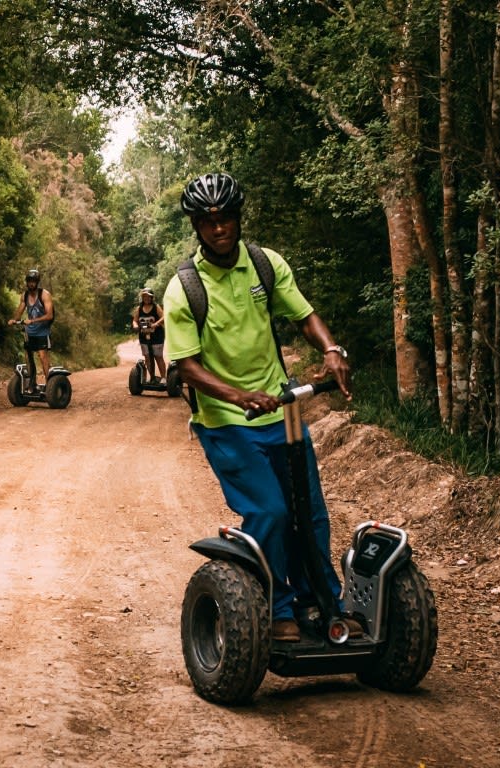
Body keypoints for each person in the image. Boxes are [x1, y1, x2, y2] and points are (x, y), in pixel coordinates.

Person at [163, 172, 354, 643]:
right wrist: (238, 396)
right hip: (226, 421)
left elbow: (304, 315)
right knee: (269, 511)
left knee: (310, 513)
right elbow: (186, 366)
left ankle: (322, 601)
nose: (218, 228)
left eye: (225, 217)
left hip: (282, 414)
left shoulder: (266, 266)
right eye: (207, 221)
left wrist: (331, 349)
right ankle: (275, 607)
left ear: (238, 217)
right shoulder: (185, 288)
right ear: (195, 226)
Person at [7, 268, 54, 388]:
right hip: (30, 332)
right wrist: (14, 320)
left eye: (33, 281)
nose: (31, 283)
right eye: (29, 281)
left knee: (42, 356)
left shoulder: (45, 294)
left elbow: (50, 315)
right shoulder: (25, 295)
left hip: (43, 331)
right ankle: (32, 382)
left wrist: (32, 320)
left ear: (37, 282)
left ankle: (50, 384)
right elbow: (20, 310)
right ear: (27, 282)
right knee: (28, 356)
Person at [131, 287, 167, 383]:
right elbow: (135, 320)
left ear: (152, 297)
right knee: (147, 357)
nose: (146, 298)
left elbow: (164, 317)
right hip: (144, 336)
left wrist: (156, 324)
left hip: (157, 335)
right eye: (144, 296)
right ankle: (152, 378)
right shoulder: (139, 309)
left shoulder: (156, 307)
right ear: (142, 298)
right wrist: (135, 326)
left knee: (158, 356)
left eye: (148, 297)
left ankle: (163, 377)